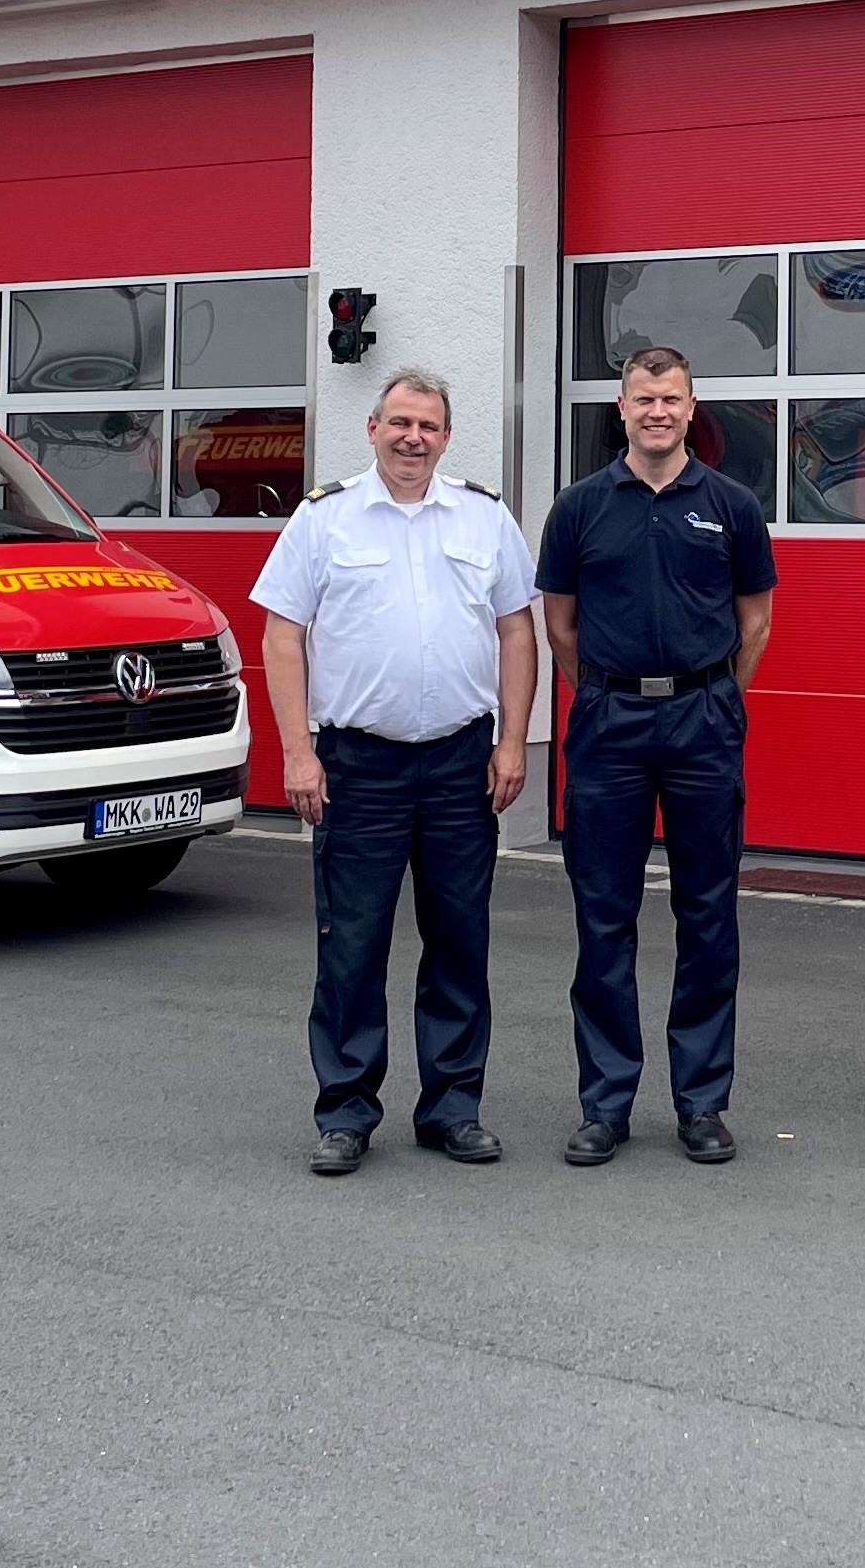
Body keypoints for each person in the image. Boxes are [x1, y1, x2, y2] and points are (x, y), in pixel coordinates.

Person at [252, 367, 540, 1176]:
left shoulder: (483, 516)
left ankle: (452, 1107)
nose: (414, 437)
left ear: (447, 437)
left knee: (458, 941)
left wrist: (514, 741)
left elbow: (518, 631)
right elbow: (282, 635)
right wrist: (297, 751)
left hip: (459, 760)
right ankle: (345, 1111)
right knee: (351, 945)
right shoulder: (324, 518)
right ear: (372, 426)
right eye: (401, 422)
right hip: (357, 764)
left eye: (430, 425)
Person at [537, 347, 777, 1167]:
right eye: (643, 398)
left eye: (670, 398)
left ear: (689, 404)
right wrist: (606, 691)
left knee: (707, 916)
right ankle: (605, 1102)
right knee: (603, 916)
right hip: (609, 725)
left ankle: (701, 1103)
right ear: (622, 407)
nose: (657, 411)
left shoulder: (731, 505)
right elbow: (559, 625)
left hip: (703, 723)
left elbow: (755, 622)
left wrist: (708, 694)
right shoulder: (578, 507)